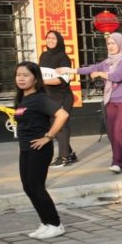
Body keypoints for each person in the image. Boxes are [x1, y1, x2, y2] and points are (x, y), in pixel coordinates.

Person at [63, 32, 122, 174]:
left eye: (113, 43)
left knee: (119, 131)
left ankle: (117, 162)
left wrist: (101, 74)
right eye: (108, 44)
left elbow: (118, 76)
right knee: (112, 132)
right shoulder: (108, 61)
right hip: (111, 100)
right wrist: (71, 70)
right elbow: (92, 68)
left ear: (121, 44)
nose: (110, 46)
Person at [14, 62, 70, 240]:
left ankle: (55, 224)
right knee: (28, 187)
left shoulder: (39, 98)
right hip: (26, 148)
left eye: (25, 75)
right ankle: (45, 222)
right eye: (18, 75)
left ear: (35, 78)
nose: (21, 78)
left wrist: (48, 136)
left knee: (37, 187)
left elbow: (63, 115)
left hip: (40, 148)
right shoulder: (22, 98)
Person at [39, 31, 76, 168]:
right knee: (54, 126)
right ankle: (70, 153)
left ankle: (64, 157)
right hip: (49, 96)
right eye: (48, 38)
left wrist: (42, 82)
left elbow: (62, 80)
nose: (50, 40)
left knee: (62, 126)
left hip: (62, 96)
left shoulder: (63, 57)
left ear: (59, 40)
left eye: (53, 38)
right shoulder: (43, 55)